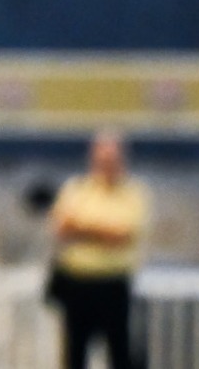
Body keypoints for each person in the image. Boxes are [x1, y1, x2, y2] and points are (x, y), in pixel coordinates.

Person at [48, 130, 148, 369]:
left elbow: (122, 235)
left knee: (119, 352)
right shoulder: (76, 189)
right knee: (75, 353)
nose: (107, 164)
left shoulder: (134, 194)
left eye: (112, 159)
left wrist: (82, 228)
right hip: (77, 282)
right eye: (102, 159)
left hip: (113, 284)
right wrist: (102, 230)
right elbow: (62, 229)